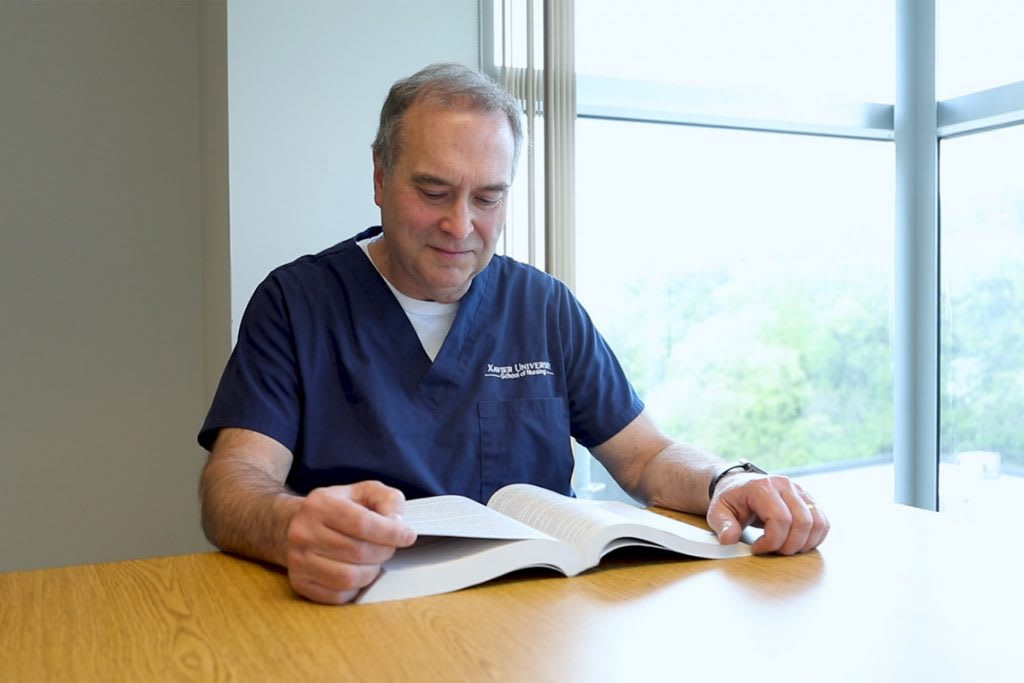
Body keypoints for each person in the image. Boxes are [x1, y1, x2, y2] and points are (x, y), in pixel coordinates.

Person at [197, 63, 829, 605]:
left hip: (534, 619)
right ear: (380, 177)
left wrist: (731, 480)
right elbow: (233, 485)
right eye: (434, 191)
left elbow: (646, 457)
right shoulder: (297, 303)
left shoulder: (542, 307)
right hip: (362, 612)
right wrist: (290, 527)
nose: (459, 225)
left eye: (488, 198)